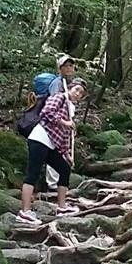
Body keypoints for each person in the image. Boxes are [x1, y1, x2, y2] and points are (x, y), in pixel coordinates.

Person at [17, 82, 86, 224]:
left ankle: (62, 207)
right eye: (77, 90)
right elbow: (46, 112)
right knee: (33, 174)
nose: (78, 94)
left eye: (81, 94)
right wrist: (64, 122)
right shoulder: (59, 97)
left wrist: (67, 156)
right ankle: (24, 212)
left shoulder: (70, 109)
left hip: (50, 144)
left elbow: (64, 138)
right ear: (70, 88)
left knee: (64, 169)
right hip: (40, 138)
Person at [45, 55, 78, 190]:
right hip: (55, 124)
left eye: (71, 65)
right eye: (65, 66)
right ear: (60, 68)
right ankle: (53, 184)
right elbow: (53, 104)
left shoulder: (69, 84)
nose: (69, 68)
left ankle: (59, 182)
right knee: (54, 150)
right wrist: (62, 121)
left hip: (64, 123)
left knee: (62, 150)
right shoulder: (57, 84)